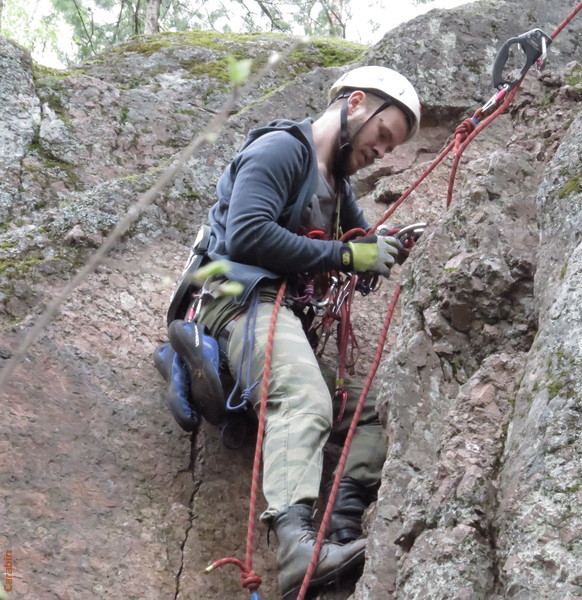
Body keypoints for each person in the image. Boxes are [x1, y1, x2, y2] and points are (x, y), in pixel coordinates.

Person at [155, 65, 421, 600]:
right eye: (382, 134)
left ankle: (338, 532)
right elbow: (247, 233)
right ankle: (297, 548)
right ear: (355, 104)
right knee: (303, 397)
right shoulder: (281, 150)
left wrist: (381, 247)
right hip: (238, 300)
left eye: (390, 146)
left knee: (374, 411)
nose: (381, 151)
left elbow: (359, 240)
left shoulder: (337, 187)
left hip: (279, 315)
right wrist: (347, 255)